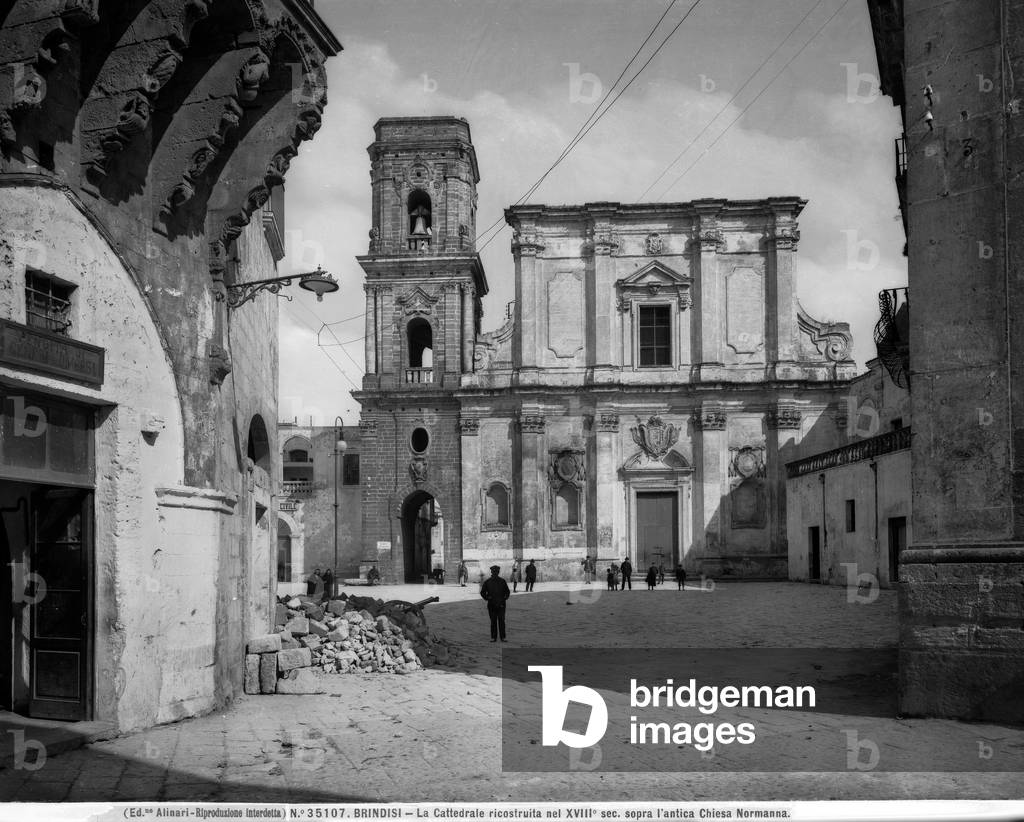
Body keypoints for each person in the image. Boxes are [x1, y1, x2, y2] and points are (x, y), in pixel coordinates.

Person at [480, 565, 511, 642]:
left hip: (499, 604)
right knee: (495, 621)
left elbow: (507, 591)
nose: (495, 573)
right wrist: (487, 598)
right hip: (494, 604)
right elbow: (482, 592)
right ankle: (496, 637)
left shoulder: (502, 581)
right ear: (492, 572)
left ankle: (500, 637)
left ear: (498, 572)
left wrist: (505, 597)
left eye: (496, 572)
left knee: (500, 621)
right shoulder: (488, 582)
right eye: (494, 572)